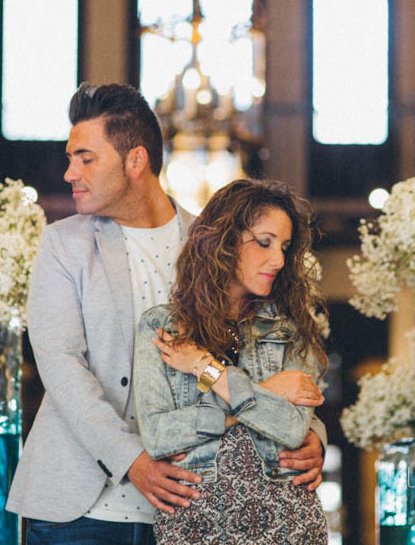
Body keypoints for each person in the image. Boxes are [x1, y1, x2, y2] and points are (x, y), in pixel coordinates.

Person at [6, 83, 326, 545]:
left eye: (85, 158)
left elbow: (272, 351)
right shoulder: (63, 245)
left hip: (196, 510)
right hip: (80, 508)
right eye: (70, 157)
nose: (69, 172)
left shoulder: (217, 245)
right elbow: (60, 365)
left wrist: (310, 434)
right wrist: (133, 462)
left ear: (135, 161)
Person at [133, 179, 329, 544]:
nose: (280, 260)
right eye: (265, 242)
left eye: (285, 247)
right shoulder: (162, 328)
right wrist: (265, 393)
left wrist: (207, 370)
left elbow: (290, 429)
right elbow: (159, 436)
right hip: (195, 525)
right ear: (224, 240)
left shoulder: (292, 329)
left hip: (287, 523)